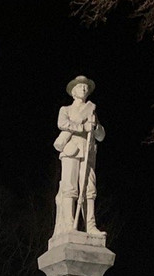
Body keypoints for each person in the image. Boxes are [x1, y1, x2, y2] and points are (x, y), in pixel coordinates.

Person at [53, 76, 106, 237]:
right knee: (70, 188)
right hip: (71, 149)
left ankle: (91, 226)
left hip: (88, 150)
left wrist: (95, 126)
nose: (83, 89)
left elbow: (101, 135)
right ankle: (69, 225)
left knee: (89, 189)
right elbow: (62, 123)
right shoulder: (66, 109)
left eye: (85, 87)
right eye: (80, 87)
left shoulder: (92, 110)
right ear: (73, 91)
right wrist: (83, 126)